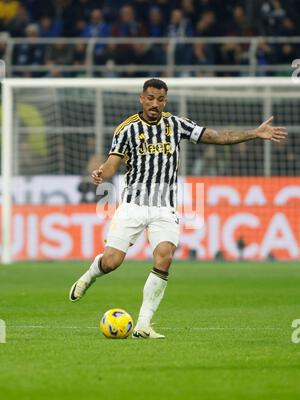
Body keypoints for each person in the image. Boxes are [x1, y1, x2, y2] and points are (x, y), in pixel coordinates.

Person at [69, 78, 288, 339]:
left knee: (164, 257)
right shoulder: (126, 129)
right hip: (133, 205)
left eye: (160, 99)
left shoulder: (176, 124)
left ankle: (143, 324)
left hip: (165, 207)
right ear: (142, 98)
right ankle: (89, 276)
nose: (154, 104)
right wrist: (100, 173)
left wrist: (255, 133)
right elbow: (112, 163)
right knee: (112, 261)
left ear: (165, 100)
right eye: (150, 98)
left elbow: (216, 137)